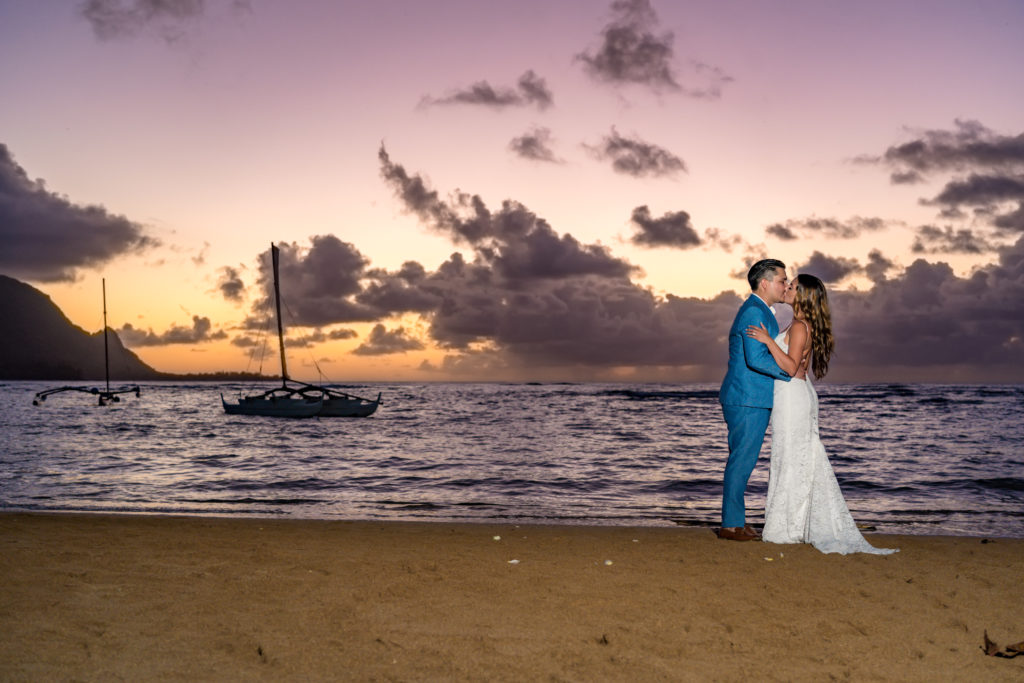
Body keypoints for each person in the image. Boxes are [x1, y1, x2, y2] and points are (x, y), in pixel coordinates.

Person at [747, 274, 897, 555]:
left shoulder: (801, 327)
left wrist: (768, 340)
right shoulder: (799, 324)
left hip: (792, 396)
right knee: (791, 458)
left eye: (792, 287)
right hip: (793, 395)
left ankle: (787, 529)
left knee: (791, 458)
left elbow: (791, 368)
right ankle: (793, 525)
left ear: (803, 295)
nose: (787, 289)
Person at [717, 259, 792, 541]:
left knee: (744, 461)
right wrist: (790, 376)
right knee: (741, 461)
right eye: (782, 280)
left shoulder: (762, 311)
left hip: (750, 397)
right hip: (746, 397)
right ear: (765, 283)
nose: (785, 285)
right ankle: (730, 526)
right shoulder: (753, 311)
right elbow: (756, 357)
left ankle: (736, 520)